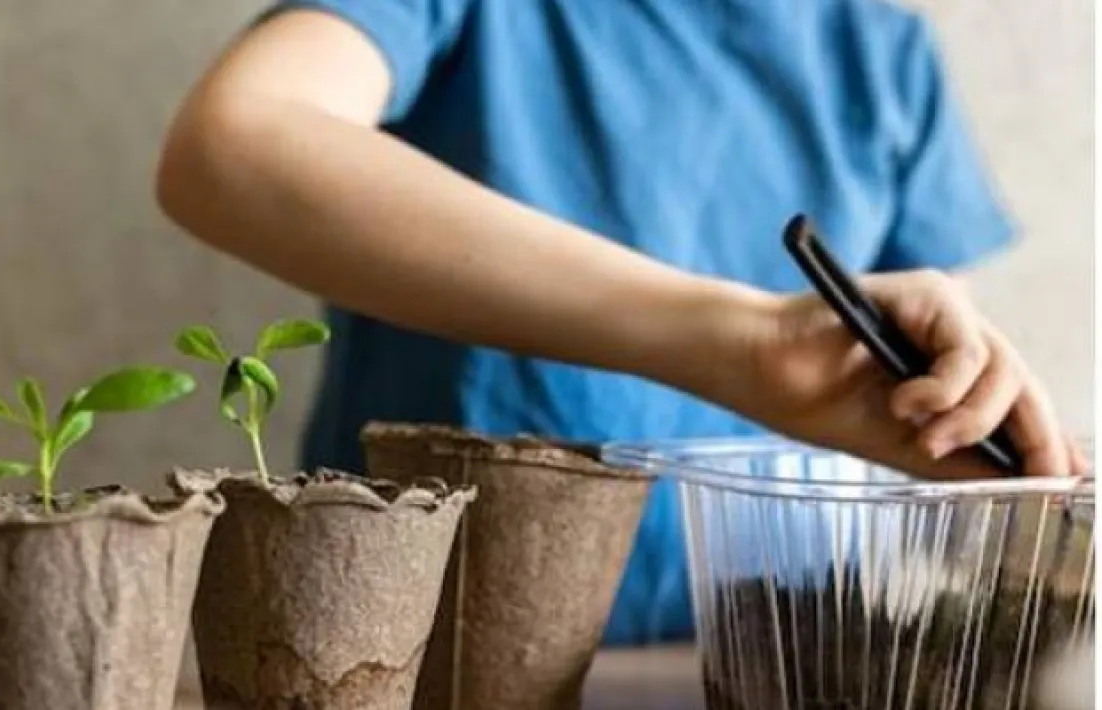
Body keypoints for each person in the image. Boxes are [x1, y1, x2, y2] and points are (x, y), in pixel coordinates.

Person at [154, 0, 1087, 645]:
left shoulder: (885, 57)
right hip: (418, 657)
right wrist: (736, 344)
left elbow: (933, 399)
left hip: (749, 666)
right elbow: (231, 147)